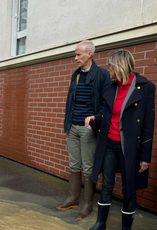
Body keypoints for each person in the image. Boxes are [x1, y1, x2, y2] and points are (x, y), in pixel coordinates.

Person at [85, 50, 155, 230]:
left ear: (119, 66)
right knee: (107, 185)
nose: (108, 69)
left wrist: (145, 157)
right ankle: (100, 224)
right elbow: (105, 113)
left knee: (128, 189)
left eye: (110, 66)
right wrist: (95, 118)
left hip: (130, 147)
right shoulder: (111, 87)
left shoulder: (146, 87)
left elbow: (148, 123)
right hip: (108, 143)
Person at [58, 40, 111, 220]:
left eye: (79, 54)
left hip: (89, 128)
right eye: (75, 54)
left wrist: (96, 119)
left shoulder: (103, 75)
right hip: (72, 126)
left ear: (90, 54)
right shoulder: (76, 75)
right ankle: (73, 198)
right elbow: (70, 102)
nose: (75, 58)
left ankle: (88, 204)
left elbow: (106, 105)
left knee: (88, 167)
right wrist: (68, 123)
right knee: (74, 165)